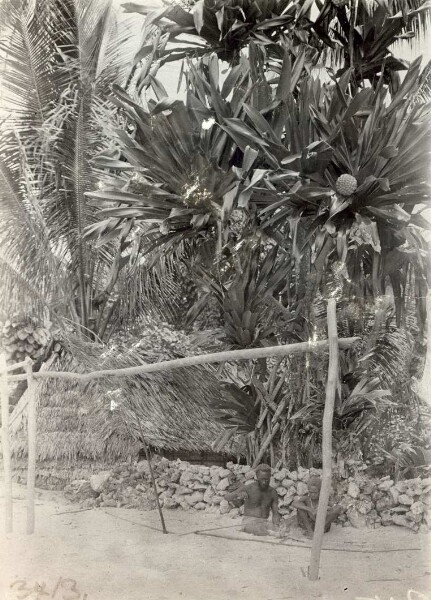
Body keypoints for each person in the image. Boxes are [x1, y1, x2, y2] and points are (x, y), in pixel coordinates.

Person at [225, 463, 281, 536]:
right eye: (262, 479)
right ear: (257, 477)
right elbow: (227, 497)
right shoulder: (249, 488)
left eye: (267, 479)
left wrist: (276, 522)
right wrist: (238, 494)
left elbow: (275, 513)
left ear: (270, 476)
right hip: (249, 521)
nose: (264, 482)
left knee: (281, 528)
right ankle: (270, 533)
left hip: (264, 521)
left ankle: (271, 532)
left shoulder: (273, 492)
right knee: (259, 529)